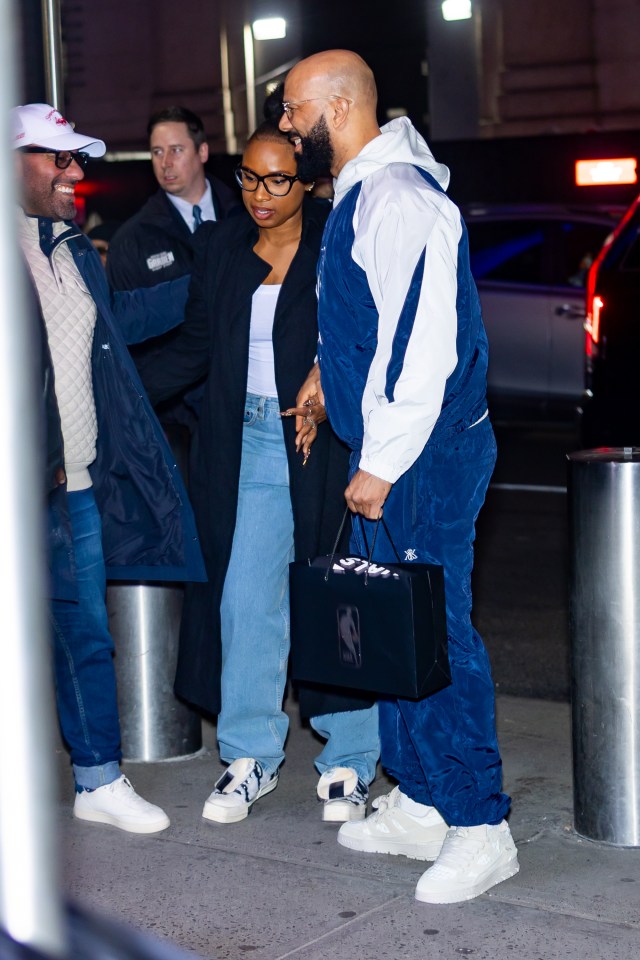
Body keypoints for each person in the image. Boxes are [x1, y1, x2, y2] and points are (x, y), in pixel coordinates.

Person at [279, 51, 519, 904]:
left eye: (292, 108)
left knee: (440, 632)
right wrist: (323, 374)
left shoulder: (401, 199)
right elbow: (373, 322)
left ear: (339, 107)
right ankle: (421, 800)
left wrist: (379, 463)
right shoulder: (362, 194)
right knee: (396, 629)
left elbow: (423, 347)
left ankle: (480, 824)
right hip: (396, 446)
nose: (282, 125)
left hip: (424, 455)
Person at [136, 116, 380, 825]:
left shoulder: (339, 238)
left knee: (337, 606)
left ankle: (349, 760)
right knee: (245, 601)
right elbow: (196, 349)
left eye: (278, 179)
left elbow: (366, 333)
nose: (260, 193)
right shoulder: (223, 247)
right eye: (249, 177)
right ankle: (249, 756)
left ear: (306, 181)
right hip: (245, 442)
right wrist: (118, 385)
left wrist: (330, 381)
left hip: (322, 444)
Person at [13, 102, 205, 834]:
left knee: (85, 635)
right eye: (57, 160)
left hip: (76, 489)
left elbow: (115, 320)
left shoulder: (67, 249)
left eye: (77, 160)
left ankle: (97, 779)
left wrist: (212, 278)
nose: (74, 173)